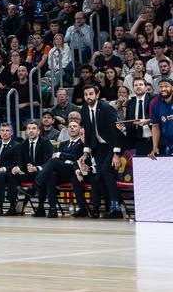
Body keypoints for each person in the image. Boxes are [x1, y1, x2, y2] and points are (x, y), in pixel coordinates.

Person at [78, 83, 123, 218]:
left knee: (106, 171)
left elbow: (115, 132)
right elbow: (88, 133)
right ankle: (112, 206)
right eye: (86, 94)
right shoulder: (84, 109)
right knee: (98, 177)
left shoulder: (106, 108)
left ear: (97, 95)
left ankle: (116, 208)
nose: (88, 97)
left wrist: (116, 154)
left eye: (91, 94)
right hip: (98, 147)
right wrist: (86, 153)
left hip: (112, 144)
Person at [34, 120, 90, 217]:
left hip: (74, 170)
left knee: (53, 162)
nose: (72, 128)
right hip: (62, 171)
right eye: (70, 126)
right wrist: (62, 158)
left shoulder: (83, 143)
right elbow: (55, 156)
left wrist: (61, 155)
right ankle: (52, 209)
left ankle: (36, 185)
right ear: (67, 129)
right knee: (51, 175)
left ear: (79, 129)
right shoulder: (63, 143)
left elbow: (74, 158)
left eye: (75, 126)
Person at [7, 120, 54, 216]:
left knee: (42, 174)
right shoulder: (22, 145)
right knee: (12, 175)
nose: (31, 131)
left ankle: (41, 207)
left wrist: (36, 168)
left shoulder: (45, 142)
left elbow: (49, 162)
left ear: (38, 131)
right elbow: (20, 162)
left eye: (33, 128)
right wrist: (17, 168)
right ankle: (12, 207)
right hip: (27, 173)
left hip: (40, 172)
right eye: (28, 129)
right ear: (26, 132)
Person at [122, 76, 154, 156]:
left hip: (153, 139)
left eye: (141, 84)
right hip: (137, 140)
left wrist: (148, 121)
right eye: (136, 85)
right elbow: (129, 121)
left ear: (146, 87)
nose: (138, 86)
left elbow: (159, 117)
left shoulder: (153, 99)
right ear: (133, 88)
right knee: (141, 167)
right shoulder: (130, 102)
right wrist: (123, 126)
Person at [149, 76, 173, 158]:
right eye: (160, 87)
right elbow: (155, 126)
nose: (163, 89)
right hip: (168, 144)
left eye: (166, 86)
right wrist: (155, 147)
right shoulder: (154, 103)